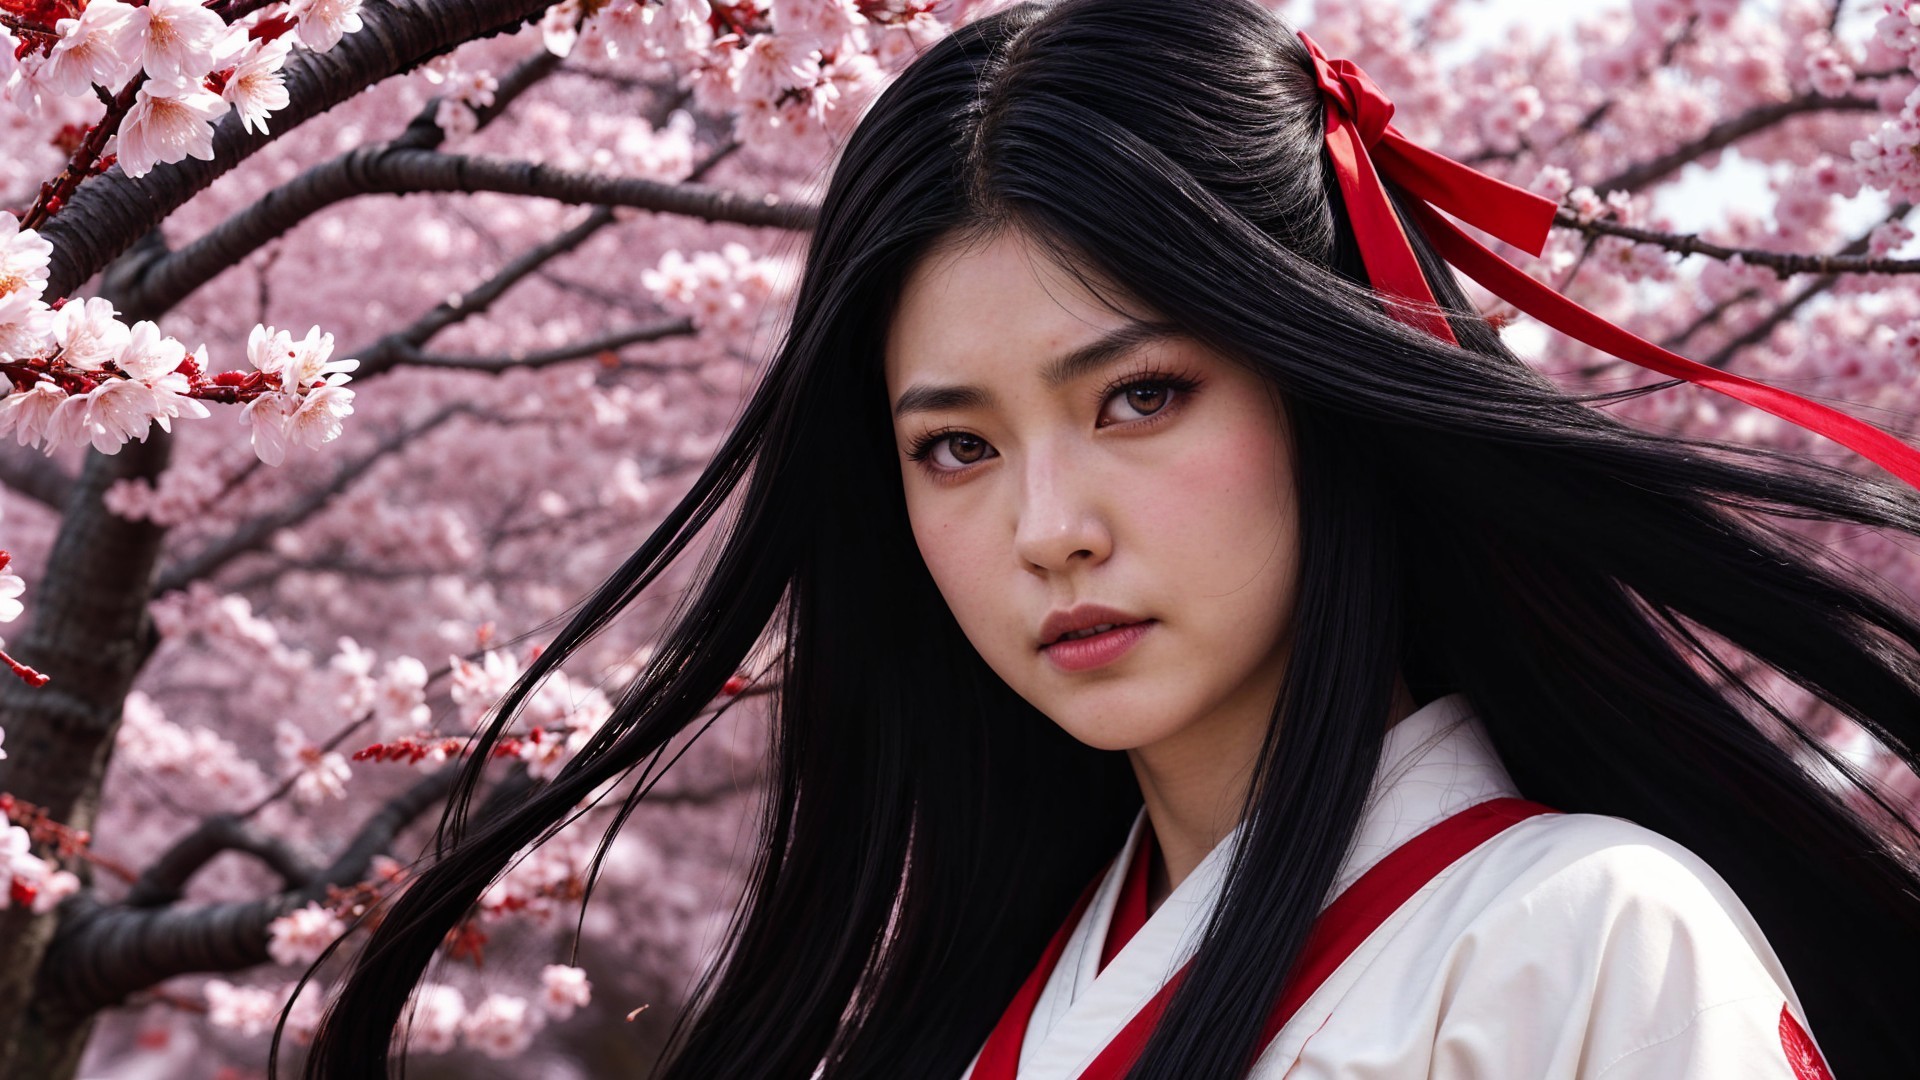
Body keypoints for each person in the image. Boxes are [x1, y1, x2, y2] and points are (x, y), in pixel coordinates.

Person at [296, 1, 1920, 1076]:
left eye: (1140, 397)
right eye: (953, 446)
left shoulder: (1585, 937)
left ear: (1322, 386)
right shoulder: (990, 1009)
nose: (1047, 530)